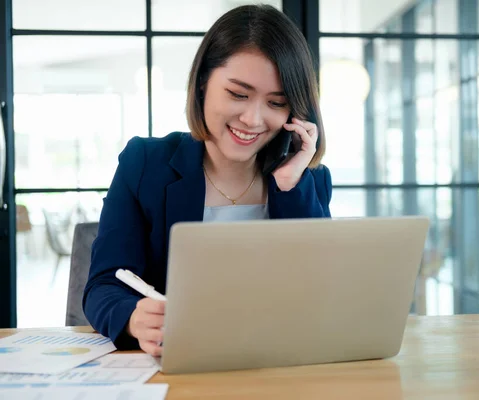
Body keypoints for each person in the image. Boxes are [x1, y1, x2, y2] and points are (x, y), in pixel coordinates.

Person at [82, 4, 332, 356]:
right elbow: (104, 286)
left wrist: (289, 185)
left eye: (276, 103)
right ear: (203, 85)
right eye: (238, 94)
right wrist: (134, 318)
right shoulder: (146, 164)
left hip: (278, 364)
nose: (253, 118)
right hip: (180, 364)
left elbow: (321, 295)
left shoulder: (309, 182)